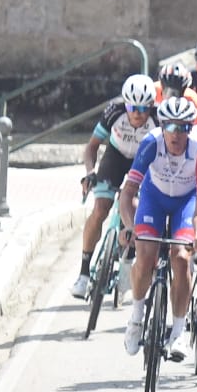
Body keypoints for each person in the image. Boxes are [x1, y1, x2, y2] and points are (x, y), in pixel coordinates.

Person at [120, 97, 197, 362]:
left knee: (182, 259)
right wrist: (128, 227)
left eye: (183, 127)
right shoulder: (151, 143)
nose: (176, 133)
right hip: (154, 198)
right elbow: (127, 194)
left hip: (185, 204)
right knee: (146, 254)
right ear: (162, 126)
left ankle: (179, 331)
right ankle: (137, 318)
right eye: (170, 126)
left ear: (190, 128)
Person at [72, 74, 157, 298]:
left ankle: (127, 259)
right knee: (101, 207)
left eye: (143, 107)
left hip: (142, 162)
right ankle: (83, 273)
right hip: (115, 157)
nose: (138, 113)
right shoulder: (114, 112)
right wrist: (90, 172)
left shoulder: (157, 119)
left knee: (134, 206)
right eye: (132, 107)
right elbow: (91, 148)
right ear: (125, 104)